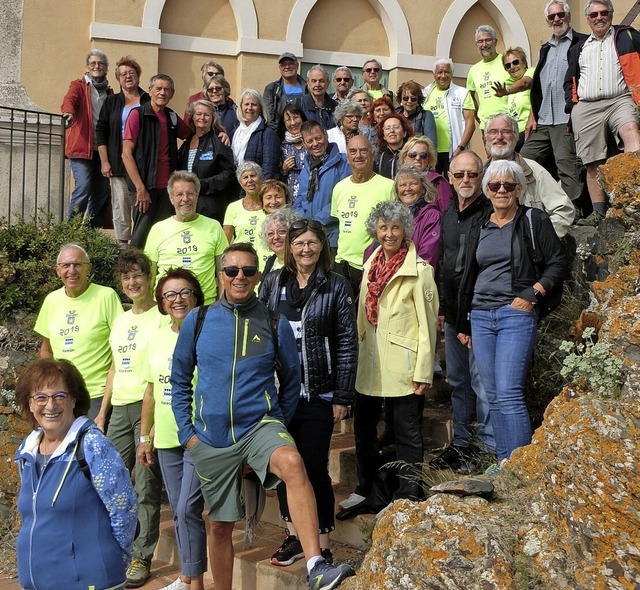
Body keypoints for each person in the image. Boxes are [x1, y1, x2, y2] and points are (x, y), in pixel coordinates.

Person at [170, 243, 355, 590]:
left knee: (293, 463)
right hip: (210, 438)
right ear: (221, 275)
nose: (240, 277)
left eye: (248, 270)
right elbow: (179, 381)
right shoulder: (198, 320)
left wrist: (278, 424)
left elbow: (291, 378)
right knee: (221, 527)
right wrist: (189, 436)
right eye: (232, 270)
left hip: (259, 426)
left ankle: (315, 565)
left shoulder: (274, 321)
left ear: (258, 276)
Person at [260, 220, 357, 567]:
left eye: (312, 242)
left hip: (320, 392)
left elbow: (347, 342)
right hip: (281, 395)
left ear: (322, 246)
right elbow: (260, 333)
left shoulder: (336, 285)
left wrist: (343, 395)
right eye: (299, 242)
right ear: (289, 247)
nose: (305, 249)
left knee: (314, 468)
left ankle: (322, 542)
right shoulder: (273, 283)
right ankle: (294, 537)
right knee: (287, 468)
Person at [457, 160, 567, 462]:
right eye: (495, 186)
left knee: (508, 392)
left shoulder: (533, 219)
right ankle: (505, 464)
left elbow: (558, 262)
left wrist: (533, 293)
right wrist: (464, 321)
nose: (502, 190)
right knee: (491, 396)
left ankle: (521, 468)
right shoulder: (480, 224)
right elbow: (468, 275)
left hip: (514, 315)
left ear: (519, 189)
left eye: (508, 185)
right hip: (480, 315)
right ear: (487, 191)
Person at [341, 200, 438, 510]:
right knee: (364, 429)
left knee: (407, 431)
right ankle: (366, 485)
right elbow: (360, 317)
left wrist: (424, 370)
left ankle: (410, 490)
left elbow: (428, 326)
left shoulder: (420, 271)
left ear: (404, 230)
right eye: (383, 227)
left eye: (395, 227)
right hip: (370, 362)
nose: (389, 233)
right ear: (375, 231)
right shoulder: (371, 264)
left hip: (402, 364)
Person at [15, 358, 137, 590]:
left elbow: (125, 510)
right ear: (29, 404)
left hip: (89, 582)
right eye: (40, 397)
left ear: (73, 400)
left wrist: (110, 561)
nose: (50, 405)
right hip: (40, 582)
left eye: (59, 396)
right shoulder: (26, 450)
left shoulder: (93, 446)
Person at [95, 249, 168, 588]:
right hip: (118, 410)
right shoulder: (121, 319)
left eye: (138, 275)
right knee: (108, 482)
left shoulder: (161, 317)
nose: (132, 281)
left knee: (145, 486)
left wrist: (150, 426)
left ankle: (142, 555)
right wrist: (102, 412)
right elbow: (112, 368)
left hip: (145, 406)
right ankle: (114, 548)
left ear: (149, 277)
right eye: (126, 277)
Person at [138, 269, 208, 590]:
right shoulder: (156, 336)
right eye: (170, 295)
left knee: (186, 508)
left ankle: (196, 582)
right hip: (165, 437)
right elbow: (151, 390)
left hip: (196, 433)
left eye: (184, 293)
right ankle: (187, 577)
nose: (177, 300)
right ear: (162, 303)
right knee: (181, 514)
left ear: (196, 296)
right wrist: (145, 436)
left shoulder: (206, 332)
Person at [429, 151, 495, 472]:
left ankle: (486, 450)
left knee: (482, 384)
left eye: (472, 175)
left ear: (481, 177)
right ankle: (461, 444)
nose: (466, 180)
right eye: (460, 175)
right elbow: (444, 266)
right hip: (454, 315)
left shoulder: (491, 213)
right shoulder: (447, 216)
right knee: (458, 381)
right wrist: (442, 308)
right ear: (450, 178)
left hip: (480, 315)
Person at [564, 0, 640, 223]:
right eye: (594, 14)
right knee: (592, 161)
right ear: (587, 19)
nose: (599, 17)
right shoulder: (579, 47)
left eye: (604, 13)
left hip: (621, 98)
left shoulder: (626, 36)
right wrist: (573, 105)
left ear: (611, 14)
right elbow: (569, 79)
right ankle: (598, 212)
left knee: (631, 132)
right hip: (587, 106)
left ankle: (634, 196)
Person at [34, 244, 123, 419]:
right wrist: (48, 384)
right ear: (57, 270)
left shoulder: (106, 296)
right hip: (62, 394)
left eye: (78, 265)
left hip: (96, 394)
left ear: (88, 268)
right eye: (66, 266)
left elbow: (120, 347)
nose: (72, 271)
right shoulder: (51, 301)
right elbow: (46, 350)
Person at [519, 0, 586, 210]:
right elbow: (539, 86)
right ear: (547, 21)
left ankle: (574, 211)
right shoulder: (544, 49)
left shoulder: (581, 43)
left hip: (565, 117)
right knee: (524, 160)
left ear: (568, 16)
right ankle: (532, 206)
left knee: (567, 165)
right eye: (552, 17)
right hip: (543, 119)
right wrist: (532, 115)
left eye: (560, 15)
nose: (557, 19)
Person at [122, 74, 192, 249]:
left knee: (164, 236)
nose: (162, 93)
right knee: (140, 236)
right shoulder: (138, 115)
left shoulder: (172, 117)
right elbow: (126, 154)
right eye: (158, 88)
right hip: (145, 187)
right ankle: (130, 272)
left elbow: (191, 135)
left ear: (172, 93)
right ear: (150, 90)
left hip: (167, 189)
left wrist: (218, 131)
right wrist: (140, 189)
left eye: (166, 89)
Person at [484, 113, 575, 237]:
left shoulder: (534, 171)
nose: (499, 137)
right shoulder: (477, 175)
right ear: (485, 138)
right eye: (493, 132)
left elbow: (564, 211)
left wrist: (538, 240)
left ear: (516, 137)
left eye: (505, 131)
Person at [145, 171, 229, 304]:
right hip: (168, 307)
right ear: (171, 198)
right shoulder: (157, 229)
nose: (185, 199)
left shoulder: (214, 226)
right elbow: (149, 275)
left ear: (197, 196)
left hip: (204, 306)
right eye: (179, 194)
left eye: (190, 193)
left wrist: (222, 307)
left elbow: (223, 272)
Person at [331, 135, 394, 297]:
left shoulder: (388, 187)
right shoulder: (339, 188)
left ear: (373, 155)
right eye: (353, 151)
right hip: (342, 264)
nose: (358, 155)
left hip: (371, 265)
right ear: (348, 157)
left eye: (363, 150)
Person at [97, 56, 149, 246]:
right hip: (118, 164)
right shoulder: (111, 101)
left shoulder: (147, 101)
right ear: (118, 79)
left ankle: (140, 246)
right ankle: (123, 248)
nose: (128, 77)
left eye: (132, 73)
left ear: (138, 77)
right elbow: (101, 130)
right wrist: (104, 160)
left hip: (143, 164)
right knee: (121, 207)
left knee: (142, 205)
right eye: (124, 74)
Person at [62, 49, 112, 226]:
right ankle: (72, 227)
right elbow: (70, 100)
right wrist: (68, 112)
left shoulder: (110, 93)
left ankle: (91, 229)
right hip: (81, 147)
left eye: (101, 64)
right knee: (83, 186)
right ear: (87, 67)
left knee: (101, 190)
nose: (97, 66)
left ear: (106, 68)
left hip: (102, 149)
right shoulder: (79, 86)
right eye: (93, 63)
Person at [177, 99, 236, 224]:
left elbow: (229, 174)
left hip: (210, 206)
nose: (202, 118)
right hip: (187, 204)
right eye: (198, 114)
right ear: (192, 117)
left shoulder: (219, 141)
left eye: (206, 115)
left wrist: (202, 184)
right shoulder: (186, 144)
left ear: (212, 118)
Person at [295, 121, 351, 250]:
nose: (315, 144)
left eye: (318, 138)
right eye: (310, 141)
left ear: (326, 135)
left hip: (333, 234)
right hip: (309, 235)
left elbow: (343, 198)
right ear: (304, 143)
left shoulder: (343, 163)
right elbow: (299, 198)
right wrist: (304, 221)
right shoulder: (306, 168)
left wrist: (317, 222)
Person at [423, 58, 476, 174]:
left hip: (455, 151)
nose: (443, 76)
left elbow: (470, 124)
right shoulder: (424, 94)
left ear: (452, 73)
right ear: (434, 74)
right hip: (431, 152)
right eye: (439, 72)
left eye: (446, 72)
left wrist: (460, 148)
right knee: (433, 188)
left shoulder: (462, 93)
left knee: (453, 187)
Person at [393, 165, 441, 274]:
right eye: (402, 185)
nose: (407, 189)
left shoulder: (432, 216)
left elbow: (427, 258)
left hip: (414, 278)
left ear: (423, 189)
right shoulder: (393, 216)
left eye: (413, 184)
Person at [466, 25, 509, 132]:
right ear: (476, 45)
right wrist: (478, 117)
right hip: (486, 126)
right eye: (480, 41)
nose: (484, 45)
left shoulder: (507, 61)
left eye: (488, 40)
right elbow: (470, 97)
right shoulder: (473, 70)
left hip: (508, 121)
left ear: (495, 42)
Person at [232, 88, 280, 180]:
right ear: (241, 107)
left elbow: (269, 168)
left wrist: (261, 191)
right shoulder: (236, 132)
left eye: (253, 104)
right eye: (246, 104)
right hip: (237, 187)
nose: (249, 108)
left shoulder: (268, 133)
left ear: (260, 108)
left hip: (257, 188)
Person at [492, 47, 535, 150]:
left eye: (515, 62)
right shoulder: (507, 83)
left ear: (524, 62)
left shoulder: (532, 72)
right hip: (514, 135)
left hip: (531, 132)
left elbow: (525, 83)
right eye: (508, 65)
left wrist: (507, 91)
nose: (512, 67)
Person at [398, 135, 453, 213]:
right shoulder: (397, 181)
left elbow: (447, 213)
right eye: (413, 155)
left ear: (429, 159)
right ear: (404, 157)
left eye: (423, 155)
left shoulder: (439, 182)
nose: (417, 158)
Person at [223, 162, 267, 257]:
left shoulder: (269, 205)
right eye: (245, 177)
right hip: (242, 260)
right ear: (240, 182)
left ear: (260, 178)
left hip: (266, 260)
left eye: (253, 176)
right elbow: (225, 241)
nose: (250, 180)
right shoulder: (233, 207)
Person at [263, 52, 307, 125]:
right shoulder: (271, 89)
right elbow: (269, 116)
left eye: (291, 63)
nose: (287, 66)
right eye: (283, 64)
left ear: (297, 65)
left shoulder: (308, 88)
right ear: (279, 68)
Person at [278, 104, 308, 204]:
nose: (293, 123)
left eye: (296, 118)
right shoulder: (282, 145)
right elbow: (276, 175)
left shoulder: (311, 141)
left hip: (309, 194)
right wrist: (283, 169)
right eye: (288, 120)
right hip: (290, 198)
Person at [260, 207, 301, 277]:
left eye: (282, 232)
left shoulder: (299, 264)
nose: (276, 237)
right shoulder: (271, 261)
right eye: (271, 234)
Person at [373, 113, 414, 179]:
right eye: (387, 128)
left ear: (404, 133)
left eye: (396, 127)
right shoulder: (378, 157)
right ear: (384, 136)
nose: (392, 131)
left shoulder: (413, 154)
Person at [396, 80, 437, 146]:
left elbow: (431, 144)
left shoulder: (426, 116)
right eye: (406, 98)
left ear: (418, 101)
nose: (409, 101)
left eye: (413, 99)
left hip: (418, 154)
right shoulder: (395, 115)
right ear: (401, 99)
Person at [203, 74, 239, 142]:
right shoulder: (203, 113)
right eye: (210, 89)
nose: (214, 91)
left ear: (225, 90)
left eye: (218, 88)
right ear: (207, 93)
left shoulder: (235, 112)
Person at [301, 65, 338, 130]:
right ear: (308, 84)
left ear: (328, 83)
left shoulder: (336, 106)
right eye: (314, 81)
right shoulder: (300, 105)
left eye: (321, 81)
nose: (317, 84)